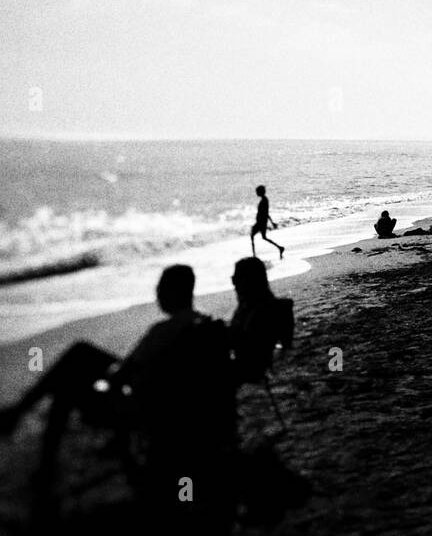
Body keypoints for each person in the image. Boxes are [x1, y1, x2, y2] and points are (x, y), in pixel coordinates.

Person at [0, 265, 229, 499]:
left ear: (173, 291)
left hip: (141, 409)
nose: (157, 292)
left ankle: (41, 458)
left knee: (68, 382)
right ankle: (22, 420)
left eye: (161, 287)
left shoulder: (164, 331)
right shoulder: (205, 324)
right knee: (81, 354)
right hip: (175, 407)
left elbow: (123, 375)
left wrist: (102, 379)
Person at [227, 258, 294, 386]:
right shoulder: (270, 307)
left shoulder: (256, 312)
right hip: (256, 366)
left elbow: (240, 343)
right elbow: (286, 344)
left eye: (235, 279)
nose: (234, 284)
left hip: (249, 369)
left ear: (249, 281)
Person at [251, 184, 286, 260]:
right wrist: (271, 222)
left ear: (260, 192)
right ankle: (279, 248)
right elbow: (266, 213)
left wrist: (271, 222)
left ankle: (254, 256)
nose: (256, 193)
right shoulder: (264, 200)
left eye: (257, 192)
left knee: (254, 235)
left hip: (261, 222)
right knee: (262, 237)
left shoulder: (264, 201)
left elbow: (265, 213)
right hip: (262, 221)